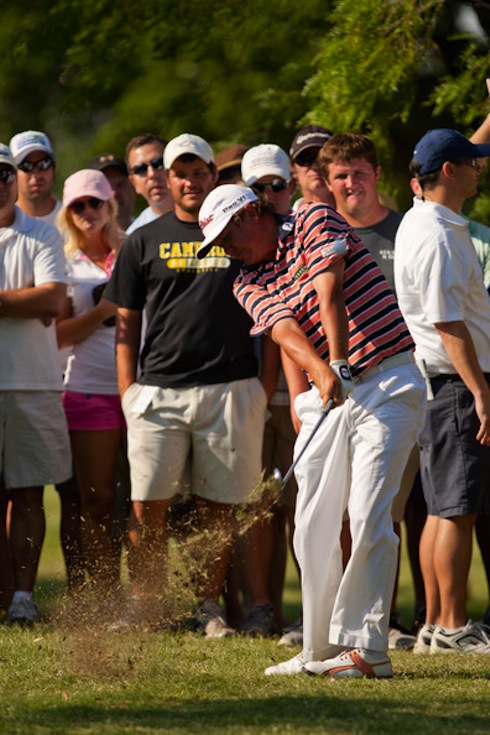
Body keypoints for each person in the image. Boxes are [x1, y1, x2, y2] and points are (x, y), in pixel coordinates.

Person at [197, 184, 426, 678]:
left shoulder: (310, 218)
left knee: (367, 514)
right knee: (311, 522)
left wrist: (338, 362)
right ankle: (318, 647)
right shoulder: (244, 281)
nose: (225, 249)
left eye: (226, 236)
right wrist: (323, 374)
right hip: (328, 394)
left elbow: (330, 288)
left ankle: (369, 651)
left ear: (252, 212)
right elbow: (285, 331)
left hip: (386, 379)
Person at [104, 134, 268, 635]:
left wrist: (264, 386)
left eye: (200, 172)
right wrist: (128, 392)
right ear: (168, 180)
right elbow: (126, 325)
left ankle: (208, 608)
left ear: (213, 177)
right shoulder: (142, 240)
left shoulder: (241, 233)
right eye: (181, 173)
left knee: (217, 512)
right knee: (146, 509)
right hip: (159, 392)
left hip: (231, 388)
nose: (191, 181)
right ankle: (145, 606)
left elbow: (274, 306)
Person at [321, 132, 420, 648]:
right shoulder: (325, 237)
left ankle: (397, 620)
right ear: (328, 183)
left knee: (398, 511)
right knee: (353, 512)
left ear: (377, 173)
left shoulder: (406, 230)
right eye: (341, 176)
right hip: (351, 390)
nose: (351, 183)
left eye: (359, 172)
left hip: (409, 380)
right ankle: (352, 624)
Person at [395, 128, 490, 654]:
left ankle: (435, 623)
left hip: (444, 384)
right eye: (472, 162)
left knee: (440, 508)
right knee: (457, 509)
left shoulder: (427, 216)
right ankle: (453, 627)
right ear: (449, 172)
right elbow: (448, 322)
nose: (481, 167)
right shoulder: (438, 235)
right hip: (456, 384)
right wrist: (481, 391)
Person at [0, 142, 71, 626]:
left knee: (29, 495)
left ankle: (23, 599)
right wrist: (19, 300)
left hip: (33, 384)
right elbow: (36, 298)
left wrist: (26, 301)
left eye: (6, 173)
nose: (1, 182)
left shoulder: (43, 232)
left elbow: (52, 301)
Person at [238, 143, 301, 638]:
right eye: (257, 189)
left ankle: (309, 610)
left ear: (291, 185)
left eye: (275, 186)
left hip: (303, 397)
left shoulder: (306, 234)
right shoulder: (238, 245)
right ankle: (260, 608)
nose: (267, 196)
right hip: (251, 394)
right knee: (255, 507)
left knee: (307, 506)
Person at [55, 169, 123, 606]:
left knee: (140, 505)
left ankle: (146, 601)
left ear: (110, 205)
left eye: (93, 203)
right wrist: (105, 310)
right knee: (95, 502)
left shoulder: (134, 249)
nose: (86, 212)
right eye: (77, 205)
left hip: (141, 389)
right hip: (86, 391)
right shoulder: (61, 262)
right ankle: (102, 596)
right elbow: (58, 335)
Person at [9, 130, 61, 227]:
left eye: (43, 164)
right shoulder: (4, 225)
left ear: (54, 167)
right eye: (26, 166)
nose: (36, 173)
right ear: (13, 173)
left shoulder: (75, 220)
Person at [125, 133, 172, 234]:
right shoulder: (133, 237)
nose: (152, 174)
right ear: (133, 183)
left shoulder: (207, 216)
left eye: (158, 163)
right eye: (140, 169)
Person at [289, 125, 334, 209]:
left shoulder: (361, 217)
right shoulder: (283, 221)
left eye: (323, 158)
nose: (315, 166)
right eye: (306, 159)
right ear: (293, 168)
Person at [88, 154, 136, 231]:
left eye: (120, 185)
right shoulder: (80, 242)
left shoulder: (152, 231)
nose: (114, 193)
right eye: (105, 187)